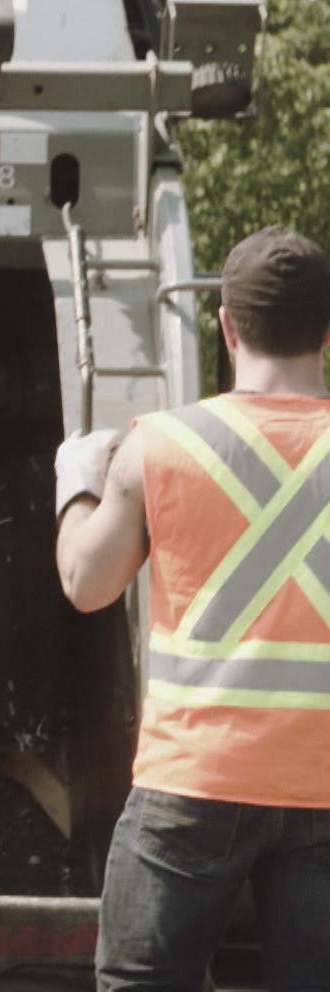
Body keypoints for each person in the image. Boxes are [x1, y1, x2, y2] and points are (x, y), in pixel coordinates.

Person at [54, 226, 330, 990]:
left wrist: (77, 480)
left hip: (195, 785)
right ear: (327, 331)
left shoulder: (162, 446)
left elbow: (87, 584)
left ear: (228, 327)